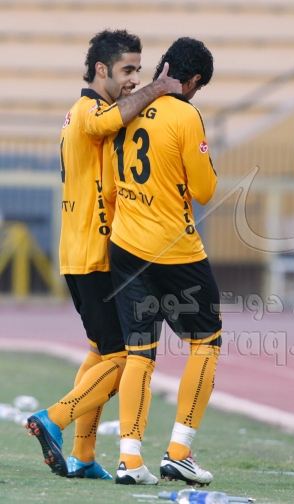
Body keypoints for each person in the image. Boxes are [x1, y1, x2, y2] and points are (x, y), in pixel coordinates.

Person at [25, 29, 181, 480]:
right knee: (124, 357)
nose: (134, 78)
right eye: (127, 70)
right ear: (100, 69)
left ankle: (83, 456)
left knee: (100, 352)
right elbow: (110, 121)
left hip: (82, 251)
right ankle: (53, 417)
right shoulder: (89, 111)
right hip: (95, 252)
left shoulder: (88, 113)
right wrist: (160, 88)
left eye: (139, 70)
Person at [102, 37, 221, 486]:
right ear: (193, 80)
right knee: (206, 342)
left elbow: (110, 183)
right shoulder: (185, 114)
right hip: (174, 249)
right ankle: (179, 452)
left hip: (125, 244)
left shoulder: (126, 106)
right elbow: (205, 190)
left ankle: (129, 459)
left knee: (139, 352)